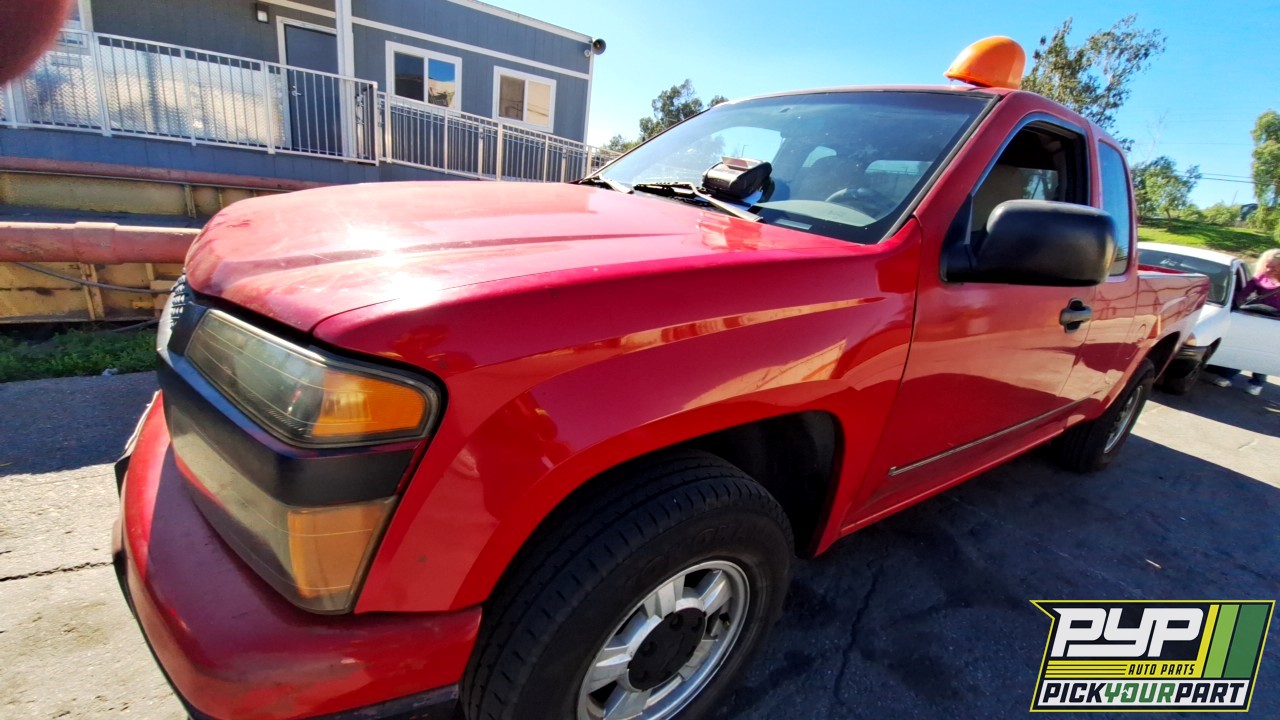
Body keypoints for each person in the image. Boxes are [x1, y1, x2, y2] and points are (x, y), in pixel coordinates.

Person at [1209, 248, 1280, 396]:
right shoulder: (1260, 278)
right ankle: (1228, 375)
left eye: (1273, 266)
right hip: (1254, 319)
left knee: (1264, 353)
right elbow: (1242, 295)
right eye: (1267, 265)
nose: (1268, 269)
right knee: (1245, 346)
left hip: (1275, 323)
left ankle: (1258, 382)